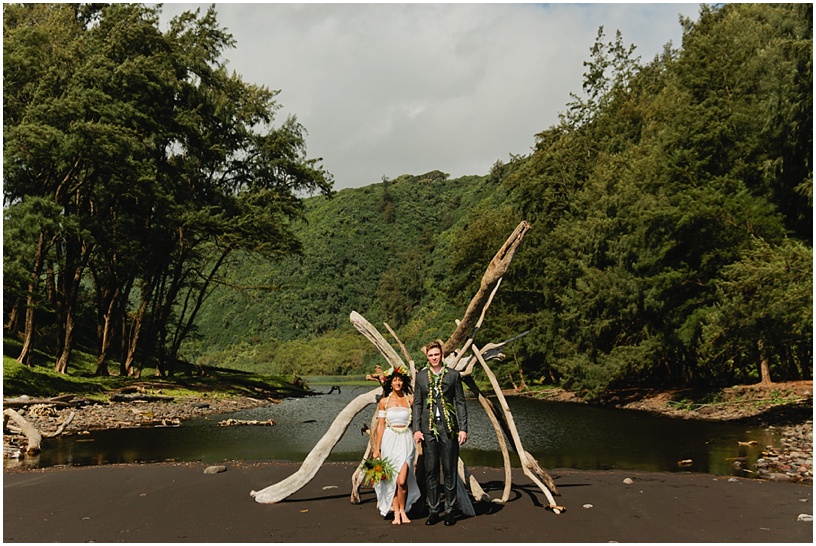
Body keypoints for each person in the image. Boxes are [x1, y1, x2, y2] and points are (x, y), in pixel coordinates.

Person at [412, 340, 468, 526]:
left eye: (436, 354)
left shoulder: (453, 376)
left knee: (450, 470)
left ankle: (451, 510)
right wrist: (417, 429)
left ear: (441, 355)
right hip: (428, 429)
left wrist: (463, 428)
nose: (434, 357)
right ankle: (434, 510)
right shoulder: (420, 377)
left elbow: (460, 402)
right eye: (431, 355)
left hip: (449, 428)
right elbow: (418, 404)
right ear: (427, 357)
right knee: (431, 470)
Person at [372, 365, 421, 524]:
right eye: (395, 380)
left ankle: (403, 509)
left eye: (400, 380)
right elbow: (380, 426)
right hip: (389, 440)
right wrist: (376, 449)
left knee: (402, 480)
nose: (398, 383)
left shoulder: (410, 400)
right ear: (390, 383)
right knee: (392, 479)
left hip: (406, 440)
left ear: (404, 382)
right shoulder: (384, 402)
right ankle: (397, 513)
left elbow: (420, 417)